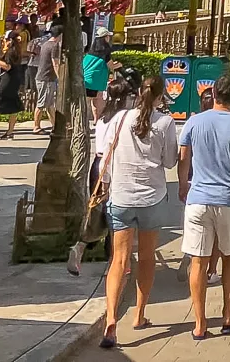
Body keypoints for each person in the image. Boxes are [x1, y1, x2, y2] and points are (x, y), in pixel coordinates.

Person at [96, 73, 180, 349]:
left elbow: (105, 157)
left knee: (119, 260)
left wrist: (105, 185)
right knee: (146, 258)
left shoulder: (120, 118)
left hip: (120, 196)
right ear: (159, 96)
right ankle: (140, 314)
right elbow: (169, 162)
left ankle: (111, 320)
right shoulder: (165, 123)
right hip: (151, 197)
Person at [179, 72, 230, 339]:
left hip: (199, 198)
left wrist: (182, 185)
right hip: (228, 199)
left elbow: (183, 158)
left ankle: (200, 323)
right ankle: (227, 314)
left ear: (213, 93)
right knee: (229, 257)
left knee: (198, 262)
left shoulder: (194, 123)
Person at [0, 26, 29, 138]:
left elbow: (7, 66)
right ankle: (10, 132)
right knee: (13, 104)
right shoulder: (17, 50)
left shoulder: (11, 51)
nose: (4, 40)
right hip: (15, 80)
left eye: (5, 39)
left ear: (10, 40)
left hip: (8, 80)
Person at [31, 23, 63, 133]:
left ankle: (56, 126)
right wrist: (60, 77)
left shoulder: (46, 44)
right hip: (46, 78)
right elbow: (55, 63)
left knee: (49, 104)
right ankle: (36, 126)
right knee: (41, 103)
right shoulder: (54, 46)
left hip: (44, 77)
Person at [84, 32, 114, 120]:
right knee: (98, 100)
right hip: (97, 81)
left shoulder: (90, 51)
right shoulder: (105, 51)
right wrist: (119, 65)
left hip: (86, 79)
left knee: (88, 101)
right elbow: (111, 66)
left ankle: (89, 120)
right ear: (105, 38)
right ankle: (97, 120)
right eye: (108, 36)